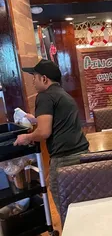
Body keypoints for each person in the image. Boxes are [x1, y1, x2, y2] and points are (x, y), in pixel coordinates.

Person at [14, 59, 89, 212]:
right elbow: (58, 120)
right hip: (82, 155)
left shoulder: (44, 96)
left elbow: (43, 132)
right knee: (81, 202)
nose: (33, 81)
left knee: (65, 204)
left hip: (64, 159)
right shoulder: (62, 94)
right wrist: (35, 119)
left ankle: (70, 234)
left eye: (34, 76)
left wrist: (25, 138)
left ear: (44, 78)